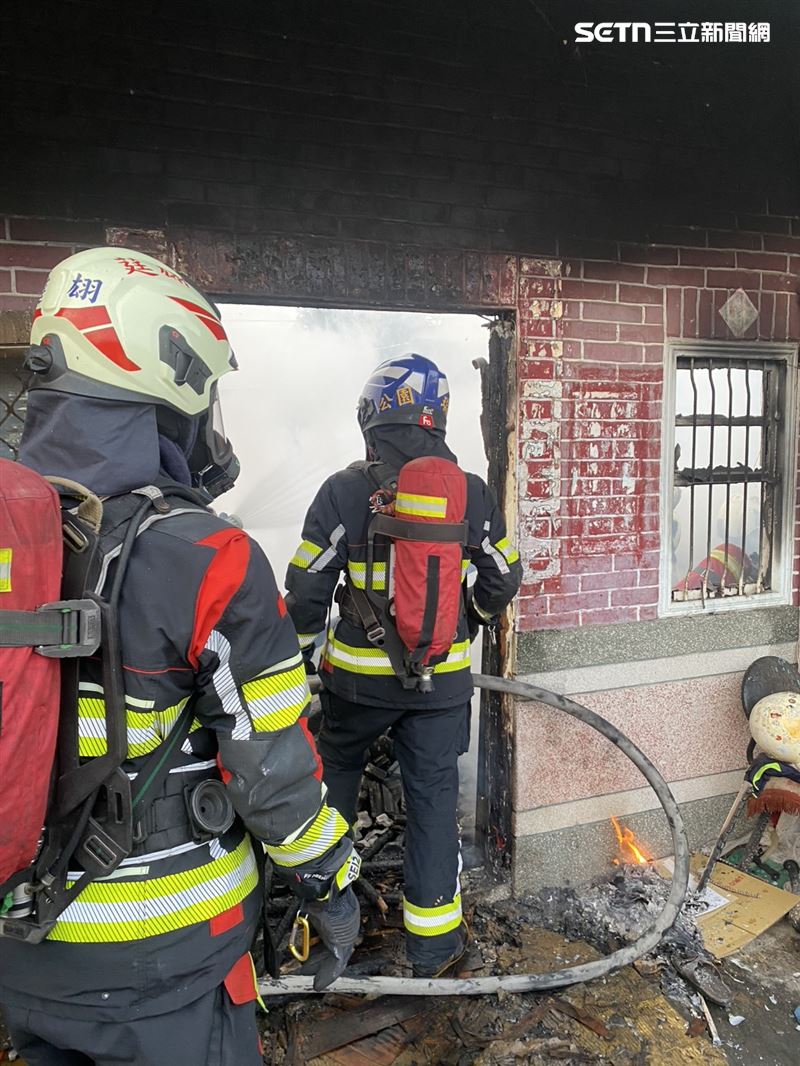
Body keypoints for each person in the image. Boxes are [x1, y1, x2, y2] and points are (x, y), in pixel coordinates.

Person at [0, 248, 359, 1065]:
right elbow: (272, 773)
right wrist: (330, 879)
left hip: (22, 951)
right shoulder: (210, 558)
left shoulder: (13, 537)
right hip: (162, 967)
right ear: (167, 382)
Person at [285, 354, 522, 977]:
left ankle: (324, 928)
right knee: (433, 807)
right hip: (440, 688)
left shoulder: (342, 492)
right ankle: (434, 950)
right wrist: (466, 617)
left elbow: (307, 591)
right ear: (436, 419)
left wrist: (302, 670)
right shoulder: (471, 492)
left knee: (330, 789)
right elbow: (505, 575)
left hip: (355, 688)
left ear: (373, 416)